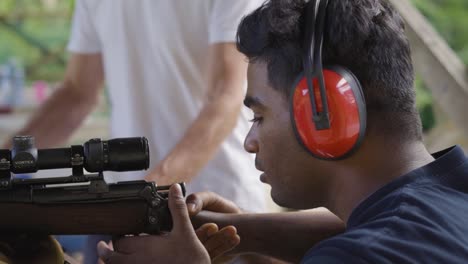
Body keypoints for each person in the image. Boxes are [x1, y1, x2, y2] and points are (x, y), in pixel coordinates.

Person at [97, 0, 468, 263]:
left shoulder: (363, 253)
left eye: (258, 116)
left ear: (325, 114)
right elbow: (367, 225)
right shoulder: (453, 197)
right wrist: (244, 232)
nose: (249, 141)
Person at [3, 0, 270, 262]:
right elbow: (77, 92)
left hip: (210, 214)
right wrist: (4, 161)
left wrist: (147, 194)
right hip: (118, 209)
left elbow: (227, 94)